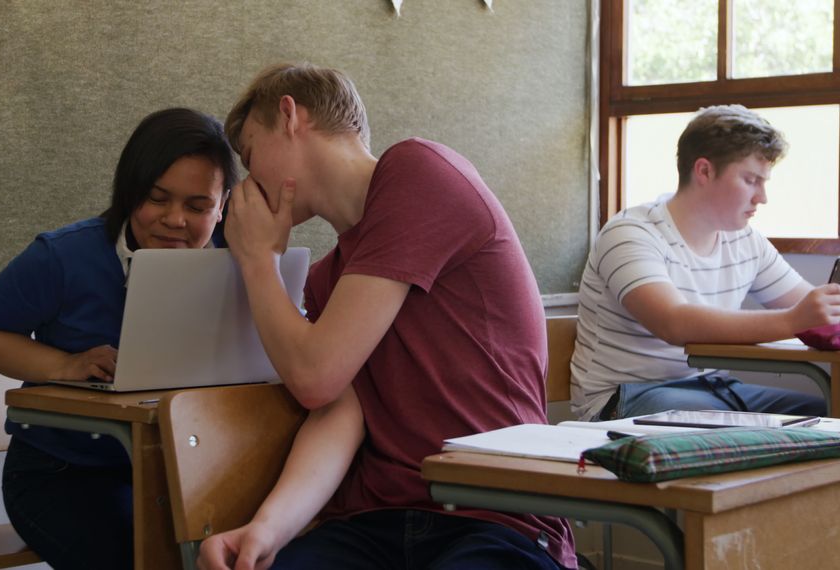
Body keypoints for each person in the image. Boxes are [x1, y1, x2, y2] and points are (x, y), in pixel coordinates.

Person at [198, 63, 576, 570]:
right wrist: (267, 528)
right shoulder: (330, 278)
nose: (251, 184)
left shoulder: (419, 171)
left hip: (497, 515)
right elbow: (335, 411)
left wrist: (258, 263)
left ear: (290, 116)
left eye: (251, 155)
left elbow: (313, 377)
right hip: (378, 521)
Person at [0, 107, 237, 569]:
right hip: (63, 473)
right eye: (156, 198)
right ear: (129, 191)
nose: (175, 220)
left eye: (197, 206)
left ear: (223, 203)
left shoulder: (239, 259)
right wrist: (61, 366)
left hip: (186, 474)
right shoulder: (64, 255)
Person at [570, 104, 840, 422]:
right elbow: (674, 323)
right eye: (751, 180)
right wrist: (793, 320)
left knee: (832, 416)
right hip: (625, 397)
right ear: (704, 171)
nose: (762, 197)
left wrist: (828, 313)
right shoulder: (630, 233)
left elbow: (814, 311)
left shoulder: (745, 241)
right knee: (739, 427)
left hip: (714, 388)